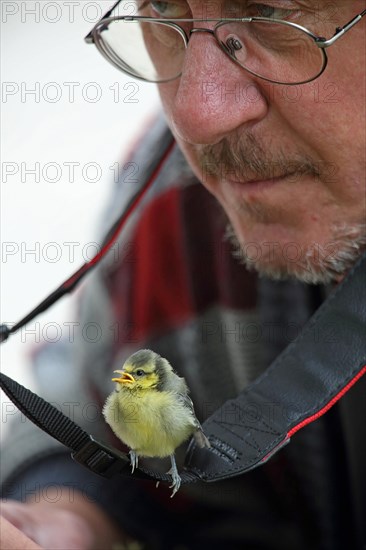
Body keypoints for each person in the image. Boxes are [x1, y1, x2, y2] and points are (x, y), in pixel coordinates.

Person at [1, 1, 365, 548]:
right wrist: (69, 517)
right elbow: (88, 396)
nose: (197, 114)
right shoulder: (183, 206)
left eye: (273, 11)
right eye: (165, 9)